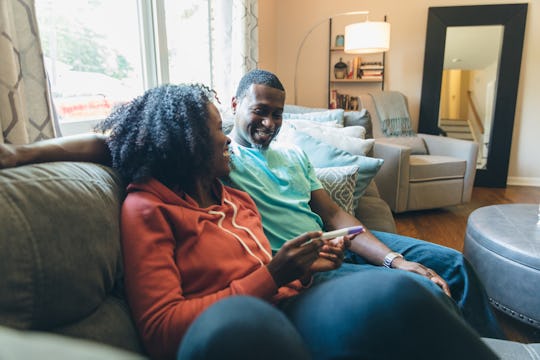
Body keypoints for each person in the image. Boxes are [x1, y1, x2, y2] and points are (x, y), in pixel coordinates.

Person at [0, 84, 499, 359]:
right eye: (218, 131)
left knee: (398, 293)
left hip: (293, 302)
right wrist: (22, 153)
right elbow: (159, 329)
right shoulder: (147, 208)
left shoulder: (228, 189)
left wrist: (307, 265)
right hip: (230, 325)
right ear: (188, 146)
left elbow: (287, 262)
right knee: (242, 326)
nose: (226, 142)